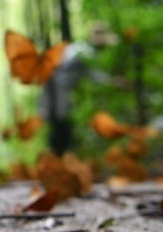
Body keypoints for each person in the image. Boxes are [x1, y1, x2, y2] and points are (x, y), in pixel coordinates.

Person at [39, 22, 120, 154]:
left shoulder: (83, 51)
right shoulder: (82, 51)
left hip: (60, 92)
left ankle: (59, 159)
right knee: (60, 127)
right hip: (55, 90)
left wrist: (111, 81)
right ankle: (55, 160)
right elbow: (89, 73)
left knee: (62, 126)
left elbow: (90, 74)